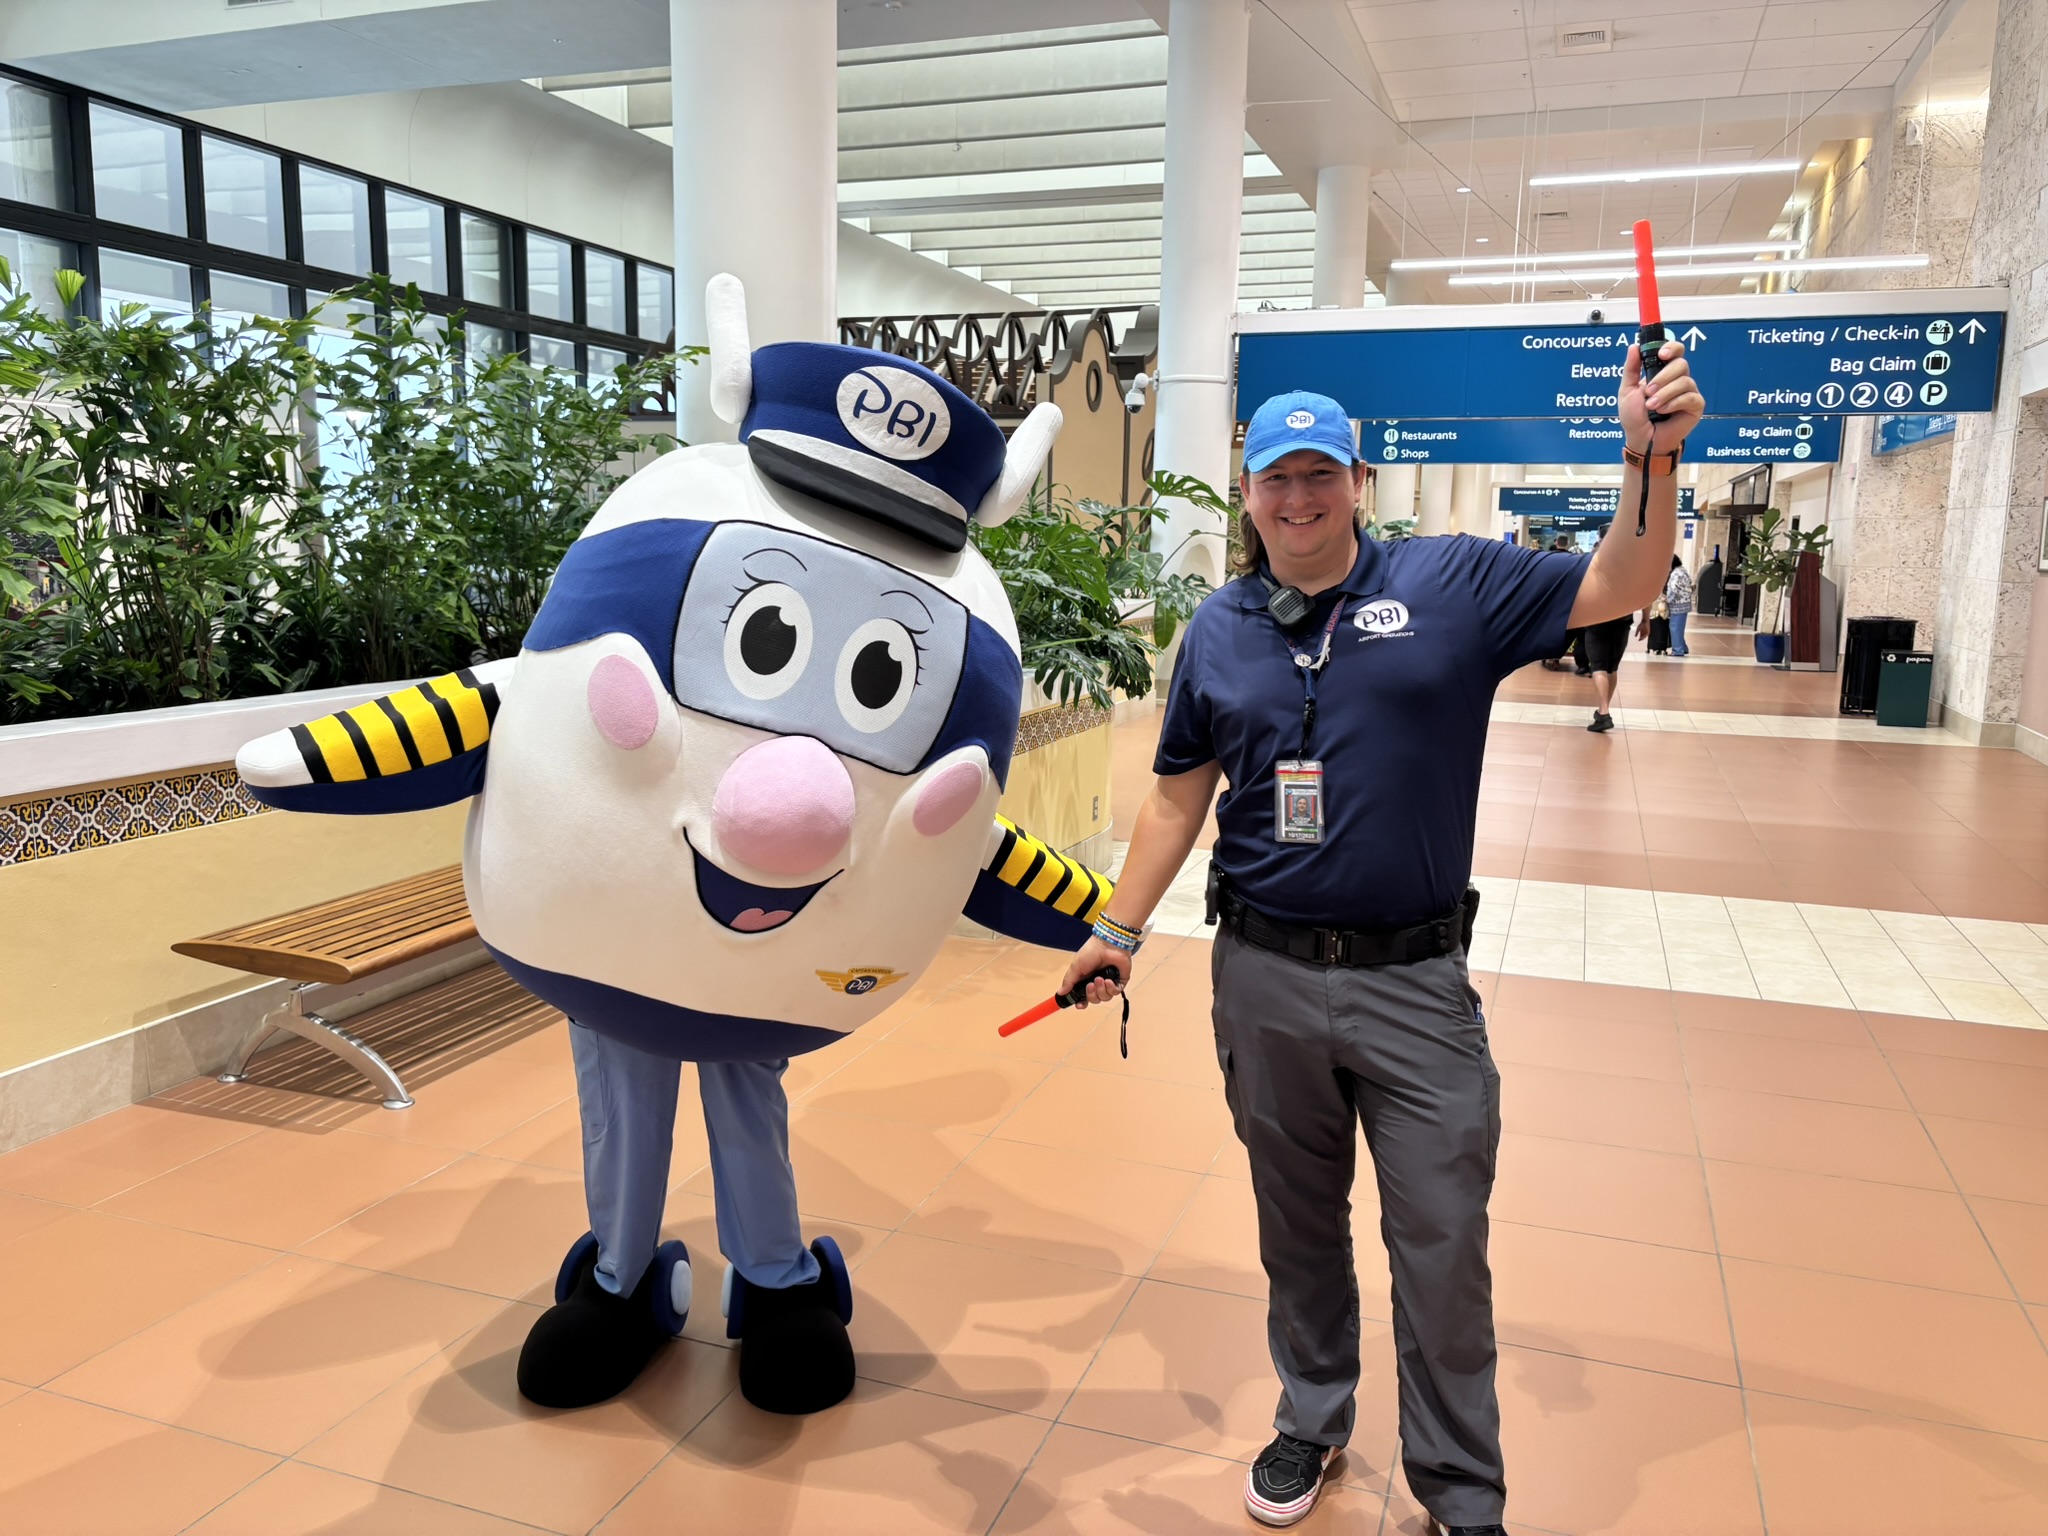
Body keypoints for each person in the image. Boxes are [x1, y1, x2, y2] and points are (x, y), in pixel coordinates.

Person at [1063, 342, 1704, 1533]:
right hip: (1258, 975)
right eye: (1272, 480)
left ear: (1358, 479)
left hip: (1413, 984)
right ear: (1245, 491)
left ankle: (1460, 1490)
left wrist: (1647, 454)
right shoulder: (1216, 629)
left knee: (1442, 1242)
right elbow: (1173, 796)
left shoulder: (1454, 584)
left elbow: (1624, 578)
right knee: (1295, 1228)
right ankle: (1311, 1420)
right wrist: (1117, 928)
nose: (1296, 501)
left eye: (1319, 476)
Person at [1664, 554, 1695, 655]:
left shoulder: (1676, 574)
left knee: (1675, 627)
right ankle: (1683, 647)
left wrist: (1667, 599)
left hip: (1678, 604)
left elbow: (1674, 589)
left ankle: (1678, 650)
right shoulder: (1682, 570)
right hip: (1684, 604)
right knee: (1679, 627)